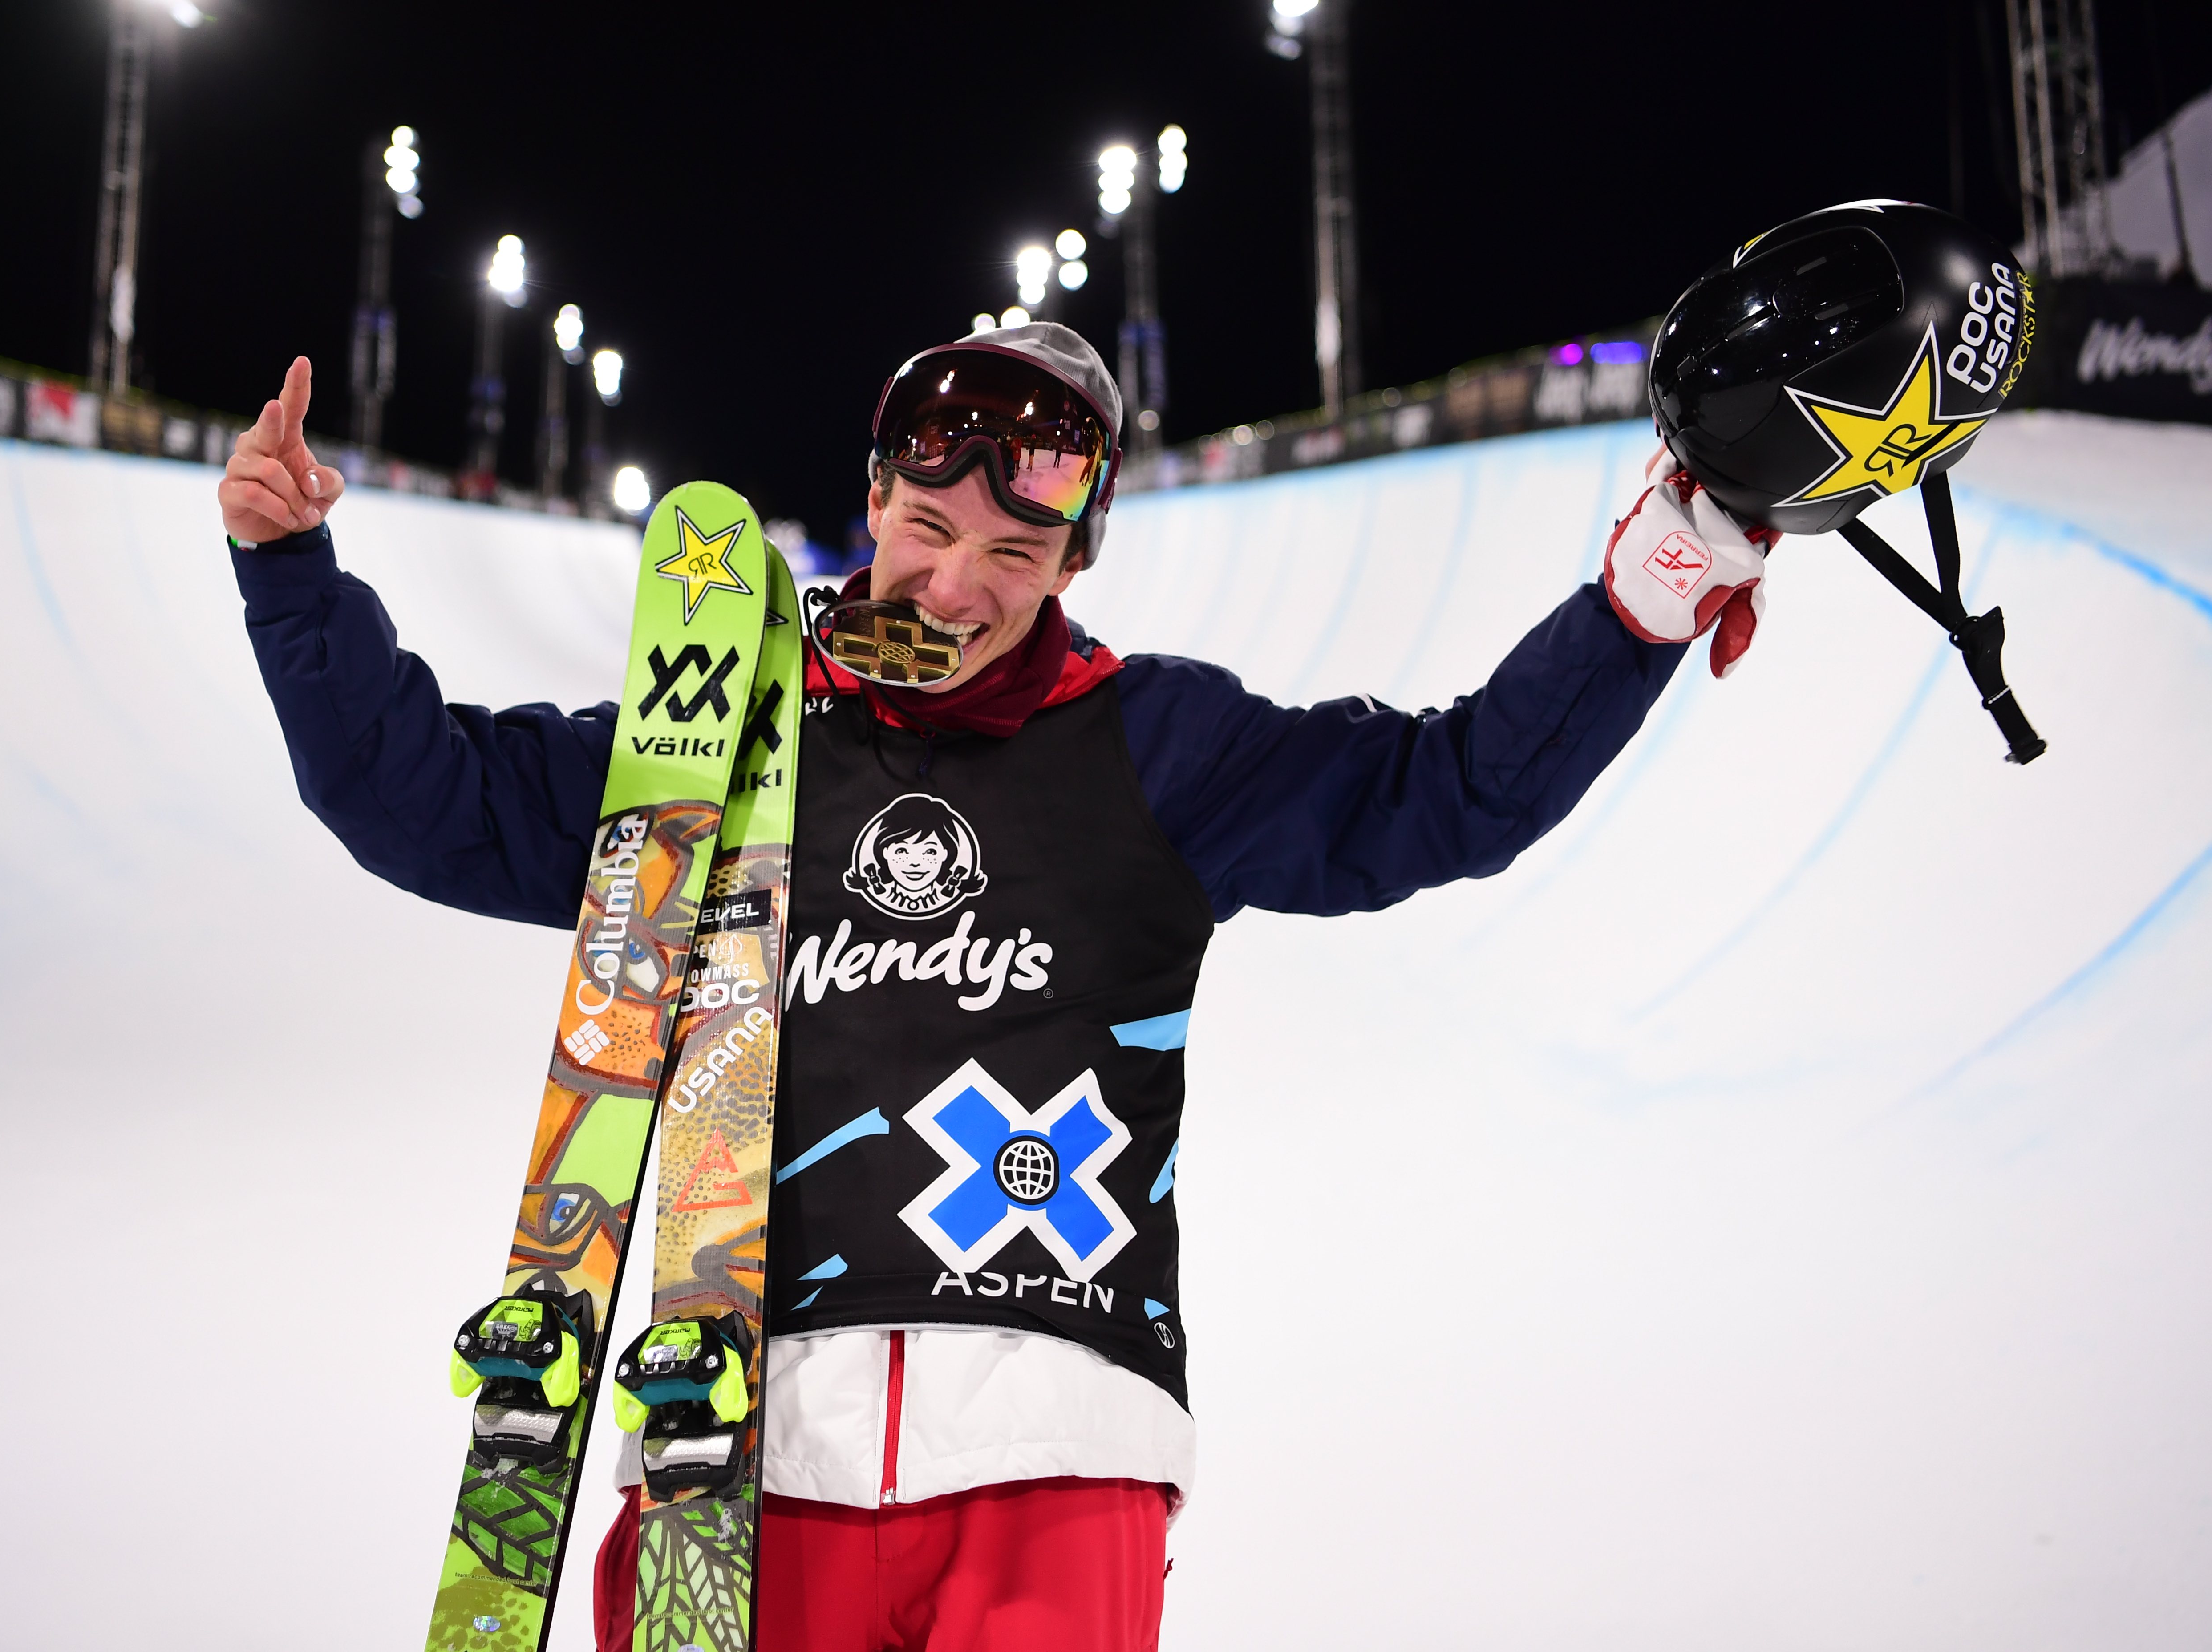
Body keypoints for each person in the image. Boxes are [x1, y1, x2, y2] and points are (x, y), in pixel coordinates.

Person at [217, 324, 1759, 1650]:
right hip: (732, 1467)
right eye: (928, 532)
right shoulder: (710, 750)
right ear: (874, 501)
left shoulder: (1161, 748)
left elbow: (1446, 793)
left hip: (1056, 1449)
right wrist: (293, 577)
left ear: (1073, 560)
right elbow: (425, 801)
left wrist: (1652, 589)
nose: (957, 586)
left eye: (1015, 554)